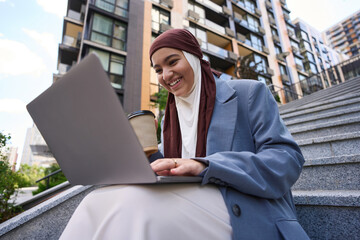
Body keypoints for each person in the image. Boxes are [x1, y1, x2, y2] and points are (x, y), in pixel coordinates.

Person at [60, 29, 309, 240]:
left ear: (193, 58)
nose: (165, 75)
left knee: (134, 206)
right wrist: (139, 153)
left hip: (248, 207)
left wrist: (204, 166)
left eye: (172, 62)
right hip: (192, 200)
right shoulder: (171, 118)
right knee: (93, 202)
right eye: (158, 69)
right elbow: (175, 168)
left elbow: (286, 160)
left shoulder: (249, 93)